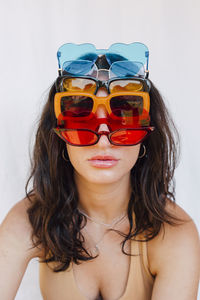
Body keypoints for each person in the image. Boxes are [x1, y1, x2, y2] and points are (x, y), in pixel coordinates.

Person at [0, 42, 199, 300]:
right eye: (82, 117)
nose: (103, 139)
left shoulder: (175, 234)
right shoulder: (28, 221)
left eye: (123, 117)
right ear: (59, 136)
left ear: (146, 138)